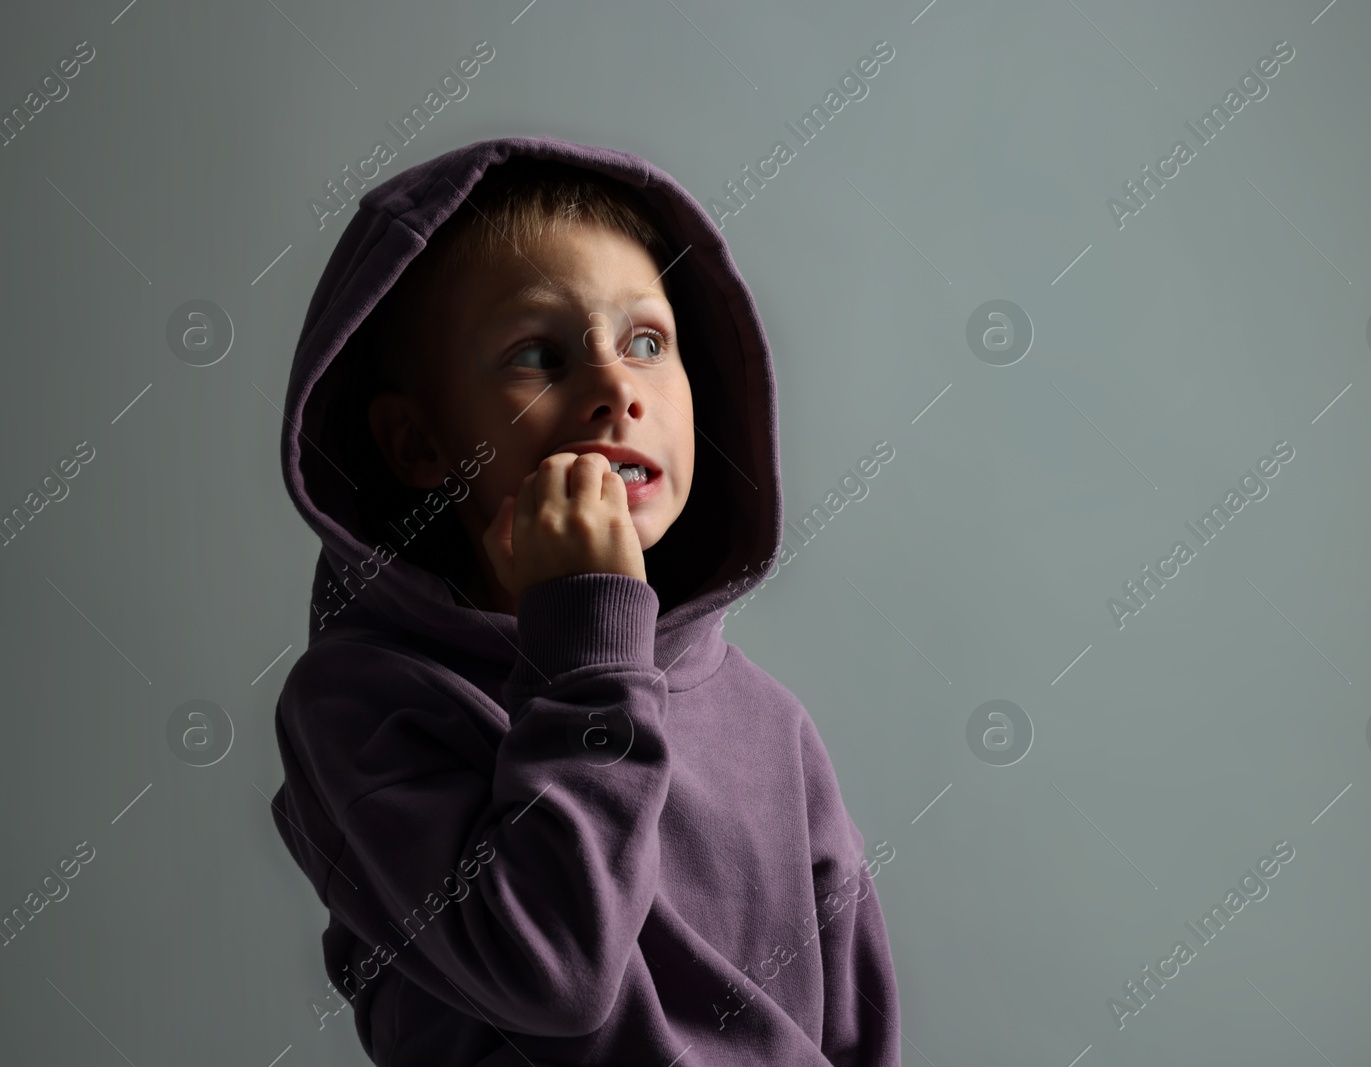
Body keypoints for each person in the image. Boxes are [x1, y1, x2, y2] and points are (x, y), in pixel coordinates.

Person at [268, 137, 902, 1067]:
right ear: (418, 442)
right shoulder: (362, 704)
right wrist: (587, 640)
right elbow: (553, 975)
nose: (615, 388)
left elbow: (855, 1027)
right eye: (539, 354)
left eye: (647, 340)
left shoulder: (770, 722)